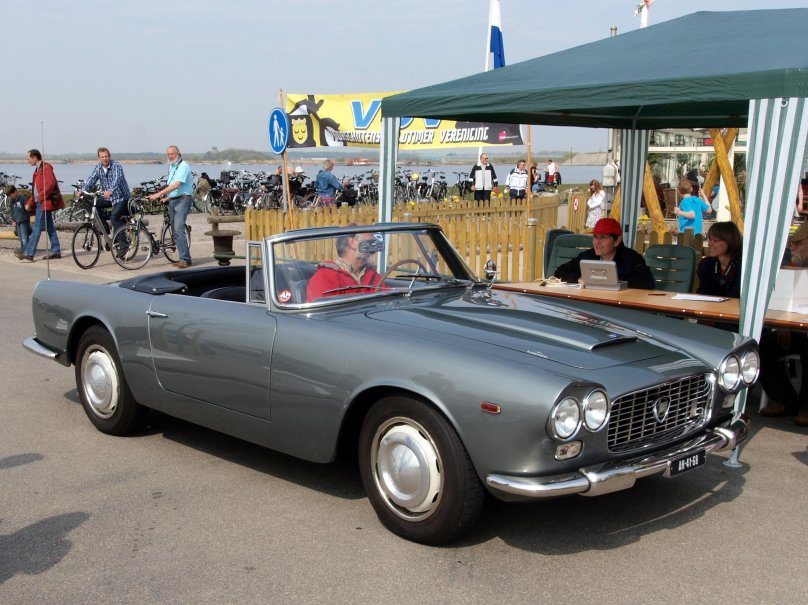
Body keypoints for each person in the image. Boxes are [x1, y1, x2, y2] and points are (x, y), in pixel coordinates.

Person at [758, 222, 808, 426]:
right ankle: (786, 399)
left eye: (797, 243)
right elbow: (784, 301)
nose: (792, 248)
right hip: (797, 327)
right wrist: (784, 326)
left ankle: (806, 405)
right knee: (761, 346)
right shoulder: (794, 267)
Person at [554, 217, 655, 289]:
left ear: (617, 240)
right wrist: (578, 278)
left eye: (603, 237)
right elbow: (559, 272)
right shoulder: (587, 256)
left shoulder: (632, 259)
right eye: (595, 237)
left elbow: (648, 283)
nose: (597, 242)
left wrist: (617, 283)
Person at [306, 228, 384, 302]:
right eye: (370, 243)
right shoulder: (324, 277)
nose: (374, 250)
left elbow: (388, 303)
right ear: (352, 242)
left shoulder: (372, 275)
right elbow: (324, 313)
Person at [148, 145, 193, 268]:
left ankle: (185, 259)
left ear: (178, 153)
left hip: (183, 200)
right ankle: (182, 258)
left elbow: (177, 185)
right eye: (168, 154)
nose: (170, 156)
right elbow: (172, 185)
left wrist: (157, 194)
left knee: (178, 228)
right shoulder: (172, 166)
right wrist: (167, 197)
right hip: (173, 200)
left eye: (172, 154)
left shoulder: (183, 166)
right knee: (174, 230)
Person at [20, 149, 63, 261]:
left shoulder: (46, 168)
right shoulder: (37, 170)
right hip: (40, 202)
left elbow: (50, 184)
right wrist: (30, 202)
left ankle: (29, 253)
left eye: (29, 158)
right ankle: (56, 250)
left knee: (37, 228)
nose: (28, 161)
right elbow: (35, 190)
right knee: (50, 227)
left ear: (35, 157)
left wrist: (40, 196)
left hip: (45, 203)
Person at [81, 147, 131, 239]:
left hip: (121, 197)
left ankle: (123, 244)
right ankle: (105, 229)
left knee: (114, 217)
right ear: (99, 158)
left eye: (106, 156)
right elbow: (91, 180)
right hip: (109, 197)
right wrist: (82, 190)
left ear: (109, 156)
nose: (104, 158)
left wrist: (110, 190)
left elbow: (117, 179)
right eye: (102, 157)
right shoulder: (98, 167)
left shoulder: (116, 166)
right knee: (92, 205)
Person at [696, 221, 742, 298]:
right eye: (709, 240)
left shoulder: (742, 265)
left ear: (730, 241)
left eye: (715, 240)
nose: (710, 244)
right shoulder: (707, 264)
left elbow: (736, 295)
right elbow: (704, 292)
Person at [8, 185, 33, 254]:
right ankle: (23, 248)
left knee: (24, 237)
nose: (11, 197)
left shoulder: (22, 199)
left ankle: (27, 251)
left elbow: (28, 210)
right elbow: (12, 211)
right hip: (17, 221)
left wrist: (28, 213)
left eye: (11, 195)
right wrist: (13, 220)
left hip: (24, 221)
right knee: (20, 237)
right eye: (9, 196)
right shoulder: (12, 201)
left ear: (15, 192)